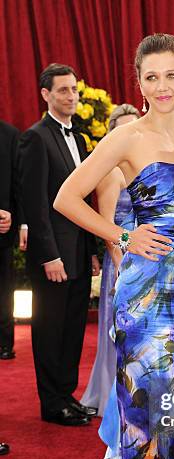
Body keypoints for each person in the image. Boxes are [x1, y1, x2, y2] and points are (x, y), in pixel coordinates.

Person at [40, 34, 174, 459]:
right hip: (148, 293)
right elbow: (66, 197)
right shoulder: (128, 138)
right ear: (138, 83)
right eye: (151, 77)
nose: (162, 86)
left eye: (170, 76)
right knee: (147, 411)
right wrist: (120, 235)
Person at [18, 63, 100, 426]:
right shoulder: (35, 137)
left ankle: (66, 394)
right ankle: (52, 403)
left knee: (72, 329)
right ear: (46, 95)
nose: (71, 96)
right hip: (53, 256)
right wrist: (49, 254)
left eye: (74, 90)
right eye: (64, 90)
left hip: (79, 253)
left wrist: (92, 251)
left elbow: (83, 200)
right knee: (50, 330)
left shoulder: (79, 138)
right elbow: (34, 203)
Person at [80, 104, 140, 417]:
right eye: (124, 128)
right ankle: (113, 396)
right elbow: (106, 227)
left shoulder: (142, 166)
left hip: (145, 258)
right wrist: (122, 268)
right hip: (122, 261)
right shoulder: (110, 172)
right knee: (120, 330)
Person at [0, 120, 20, 360]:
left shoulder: (10, 135)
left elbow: (18, 184)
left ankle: (5, 342)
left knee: (4, 288)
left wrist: (15, 219)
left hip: (3, 229)